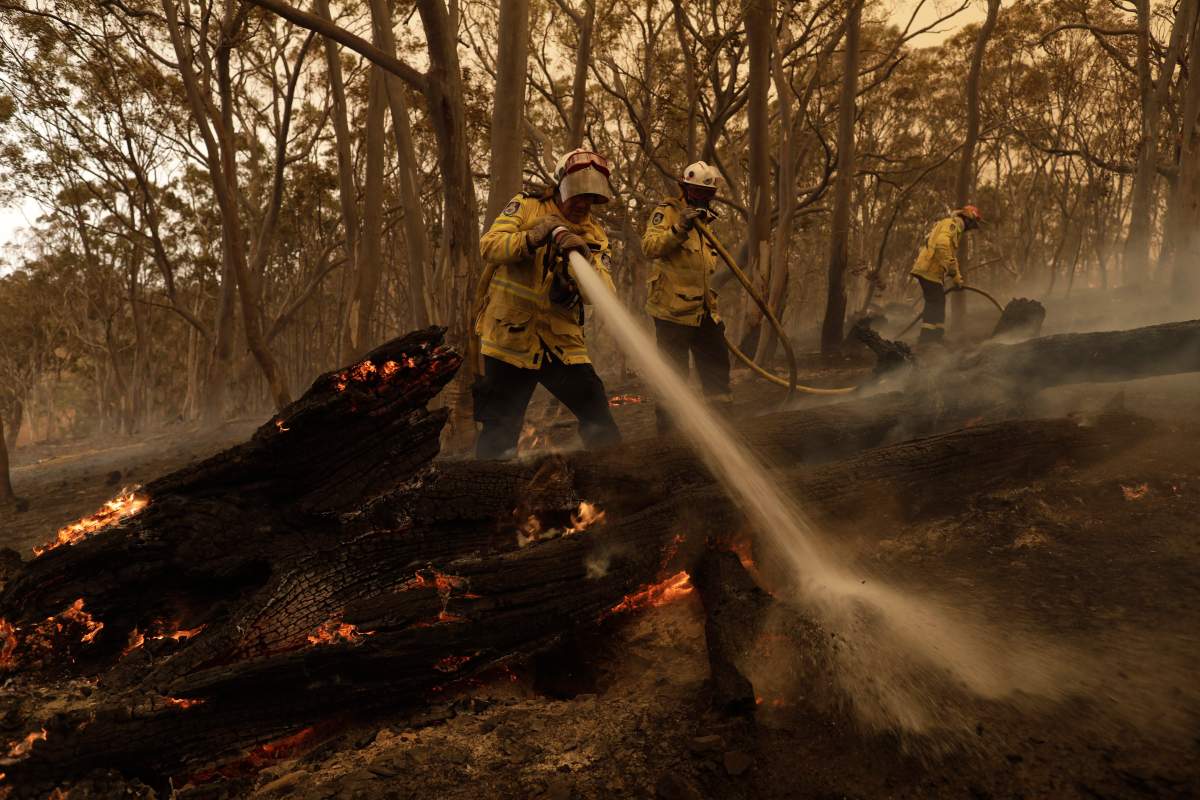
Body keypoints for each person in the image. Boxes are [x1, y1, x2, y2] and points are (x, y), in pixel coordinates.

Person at [472, 148, 622, 460]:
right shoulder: (526, 207)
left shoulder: (595, 236)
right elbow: (489, 246)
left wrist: (584, 260)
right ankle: (487, 497)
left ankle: (613, 485)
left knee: (599, 420)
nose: (583, 203)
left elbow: (603, 293)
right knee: (499, 434)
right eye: (578, 194)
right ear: (560, 185)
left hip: (561, 344)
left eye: (591, 197)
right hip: (511, 339)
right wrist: (533, 237)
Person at [642, 161, 732, 432]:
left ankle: (724, 429)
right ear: (684, 187)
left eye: (707, 194)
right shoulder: (668, 212)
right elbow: (649, 246)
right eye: (697, 192)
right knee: (673, 378)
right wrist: (679, 228)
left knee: (717, 368)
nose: (702, 198)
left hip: (704, 311)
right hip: (672, 313)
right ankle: (668, 439)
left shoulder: (705, 221)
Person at [909, 205, 983, 344]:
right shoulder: (952, 225)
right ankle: (927, 340)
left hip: (932, 271)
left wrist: (957, 278)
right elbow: (942, 245)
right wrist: (950, 268)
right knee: (935, 302)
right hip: (928, 269)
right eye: (972, 224)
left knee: (938, 301)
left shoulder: (955, 229)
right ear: (967, 219)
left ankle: (935, 337)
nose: (971, 229)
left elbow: (951, 258)